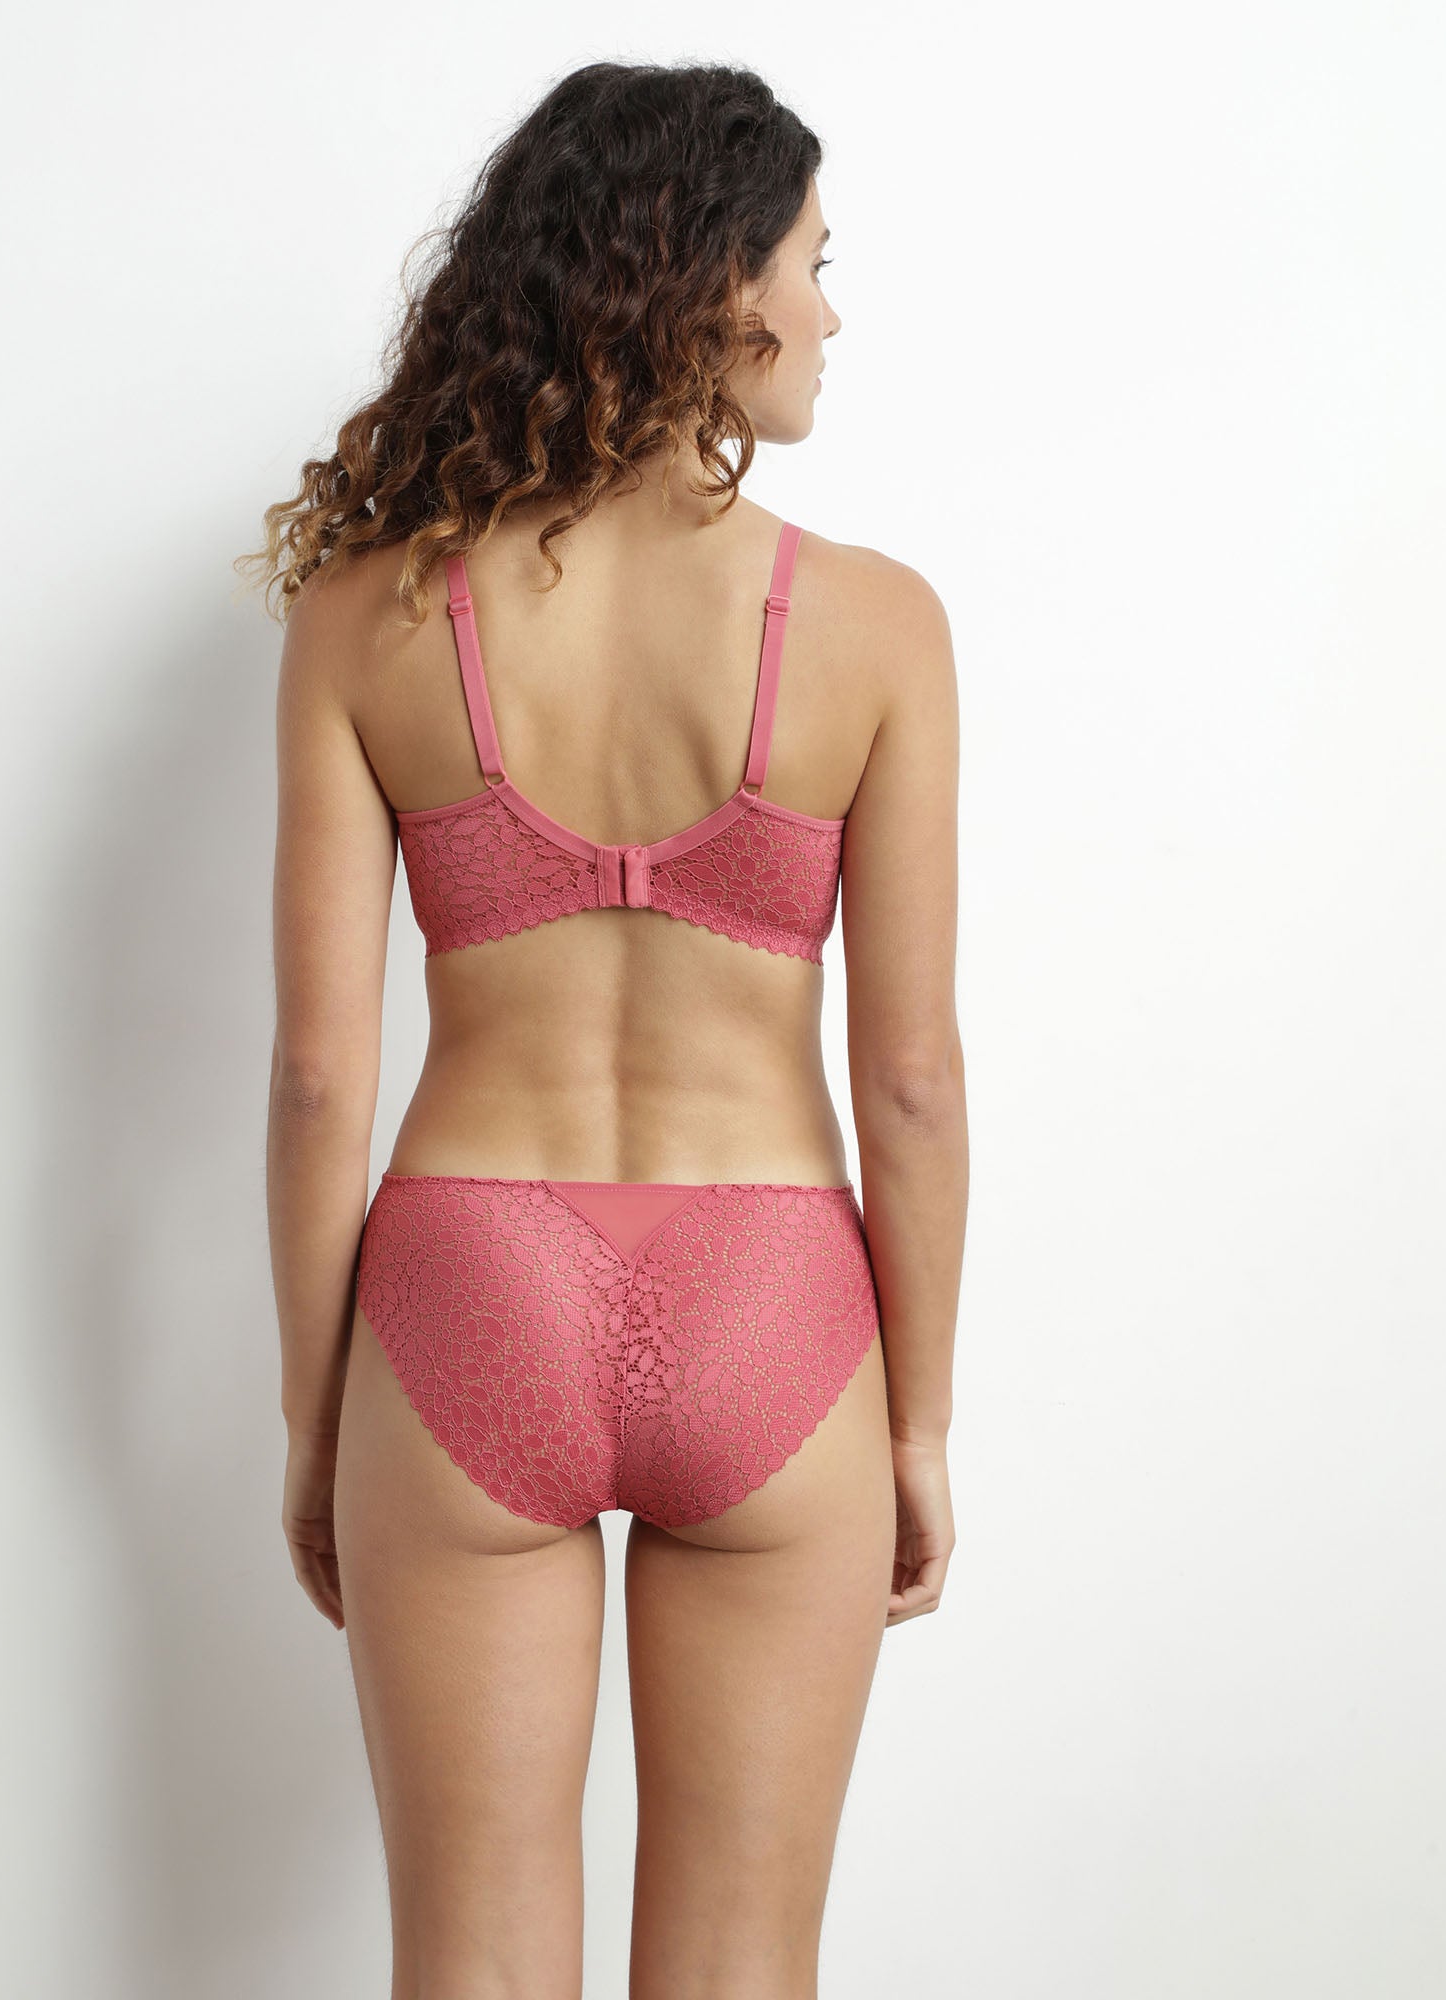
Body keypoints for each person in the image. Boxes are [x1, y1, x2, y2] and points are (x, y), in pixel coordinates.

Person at [247, 59, 967, 2000]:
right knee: (742, 1964)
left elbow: (316, 1080)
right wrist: (915, 1422)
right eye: (816, 265)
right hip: (774, 1297)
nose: (832, 314)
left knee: (469, 1962)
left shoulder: (369, 615)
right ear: (718, 286)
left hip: (468, 1289)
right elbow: (910, 1081)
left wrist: (320, 1419)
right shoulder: (878, 627)